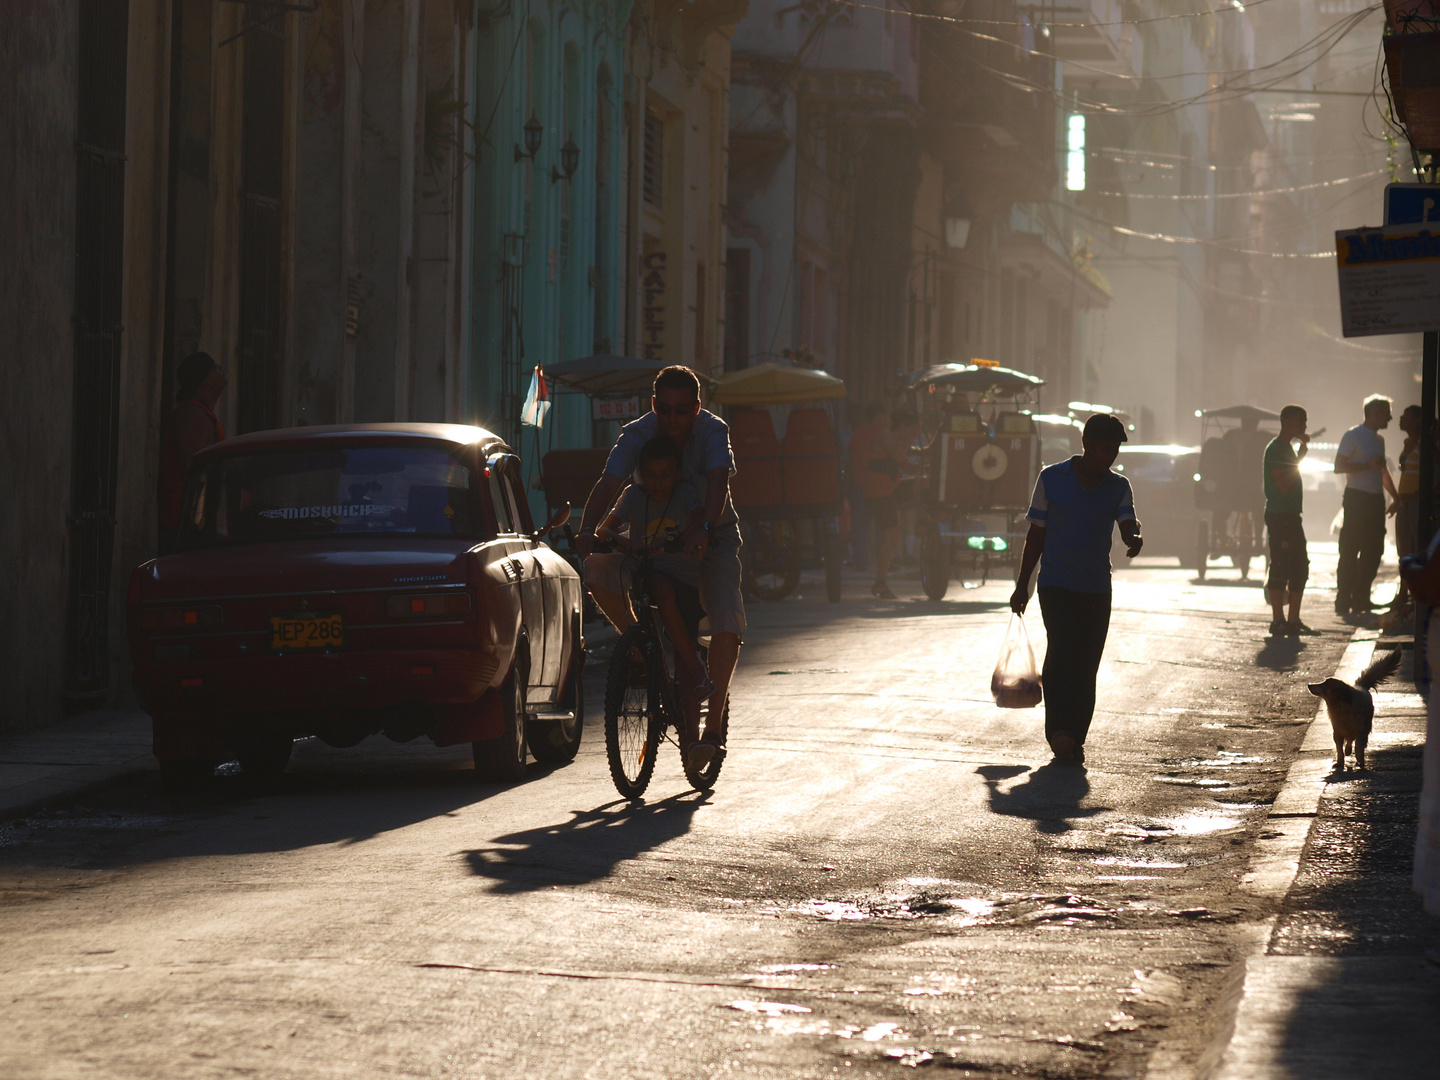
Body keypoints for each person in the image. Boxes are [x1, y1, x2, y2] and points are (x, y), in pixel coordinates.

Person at [576, 366, 743, 771]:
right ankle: (643, 648)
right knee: (597, 570)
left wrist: (702, 529)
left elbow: (718, 482)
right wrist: (585, 533)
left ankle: (713, 729)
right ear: (654, 406)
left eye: (682, 411)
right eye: (664, 410)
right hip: (653, 544)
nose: (672, 421)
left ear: (697, 409)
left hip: (711, 538)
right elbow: (608, 482)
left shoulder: (713, 431)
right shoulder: (637, 433)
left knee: (726, 622)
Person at [1010, 413, 1142, 766]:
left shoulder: (1118, 486)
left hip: (1096, 588)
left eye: (1114, 450)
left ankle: (1075, 737)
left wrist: (1133, 537)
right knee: (1061, 657)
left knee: (1086, 664)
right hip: (1055, 585)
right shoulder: (1052, 479)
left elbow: (1127, 520)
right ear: (1086, 445)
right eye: (1104, 448)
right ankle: (1058, 733)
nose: (1109, 456)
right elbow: (1035, 534)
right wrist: (1022, 584)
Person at [586, 436, 713, 745]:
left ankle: (695, 673)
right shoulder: (633, 495)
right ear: (641, 474)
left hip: (681, 576)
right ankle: (637, 644)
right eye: (651, 476)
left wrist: (690, 534)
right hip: (642, 567)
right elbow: (605, 528)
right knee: (594, 566)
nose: (658, 483)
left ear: (678, 473)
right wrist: (621, 540)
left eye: (665, 476)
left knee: (664, 592)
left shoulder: (685, 494)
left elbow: (699, 518)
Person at [1334, 394, 1397, 616]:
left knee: (1374, 550)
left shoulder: (1379, 440)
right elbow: (1339, 466)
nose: (1390, 417)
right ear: (1374, 414)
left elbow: (1382, 470)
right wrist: (1366, 465)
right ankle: (1343, 599)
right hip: (1356, 497)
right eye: (1386, 413)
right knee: (1350, 550)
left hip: (1375, 499)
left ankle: (1361, 597)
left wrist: (1395, 497)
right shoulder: (1354, 435)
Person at [158, 352, 227, 553]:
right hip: (187, 526)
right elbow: (196, 474)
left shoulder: (199, 412)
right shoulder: (192, 415)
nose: (221, 368)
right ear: (205, 383)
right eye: (214, 368)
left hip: (194, 523)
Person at [1263, 404, 1311, 636]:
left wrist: (1298, 457)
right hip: (1280, 516)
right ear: (1287, 422)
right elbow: (1282, 485)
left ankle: (1293, 620)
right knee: (1281, 564)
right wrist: (1299, 460)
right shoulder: (1275, 449)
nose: (1304, 426)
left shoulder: (1288, 449)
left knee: (1300, 565)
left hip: (1291, 516)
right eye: (1301, 421)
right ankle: (1278, 620)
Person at [848, 402, 904, 598]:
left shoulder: (857, 433)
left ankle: (861, 562)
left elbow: (851, 455)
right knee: (886, 533)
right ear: (879, 415)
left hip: (857, 482)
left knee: (860, 526)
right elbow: (898, 456)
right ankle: (882, 570)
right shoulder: (884, 433)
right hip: (878, 485)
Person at [1393, 404, 1423, 606]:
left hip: (1416, 502)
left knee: (1415, 547)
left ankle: (1414, 594)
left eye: (1406, 416)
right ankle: (1403, 593)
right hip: (1404, 503)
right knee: (1403, 550)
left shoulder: (1426, 444)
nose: (1401, 419)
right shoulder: (1407, 443)